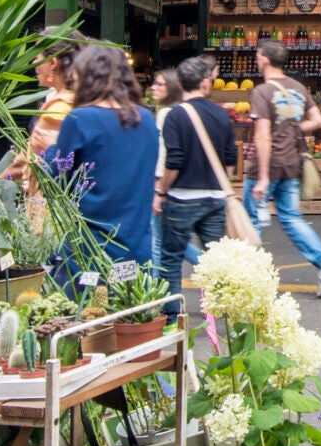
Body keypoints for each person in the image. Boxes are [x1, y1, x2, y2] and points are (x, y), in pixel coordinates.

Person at [45, 44, 161, 273]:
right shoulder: (146, 119)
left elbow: (57, 182)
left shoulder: (79, 119)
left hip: (90, 252)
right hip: (137, 248)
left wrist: (49, 149)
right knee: (132, 296)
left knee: (86, 298)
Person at [247, 40, 321, 295]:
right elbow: (318, 120)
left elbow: (262, 135)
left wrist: (263, 177)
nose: (256, 59)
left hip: (267, 165)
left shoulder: (262, 91)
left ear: (265, 59)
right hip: (291, 162)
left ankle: (251, 279)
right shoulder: (298, 87)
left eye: (258, 55)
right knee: (291, 217)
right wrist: (293, 129)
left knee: (251, 221)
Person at [154, 55, 239, 312]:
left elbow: (174, 161)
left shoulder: (175, 115)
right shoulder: (221, 114)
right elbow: (230, 159)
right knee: (215, 262)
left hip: (181, 198)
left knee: (171, 260)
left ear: (180, 84)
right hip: (215, 197)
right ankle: (222, 315)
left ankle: (172, 319)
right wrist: (219, 182)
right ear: (205, 82)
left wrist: (161, 191)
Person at [26, 49, 78, 156]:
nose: (34, 63)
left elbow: (34, 156)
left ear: (53, 63)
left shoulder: (60, 108)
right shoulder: (58, 95)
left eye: (37, 57)